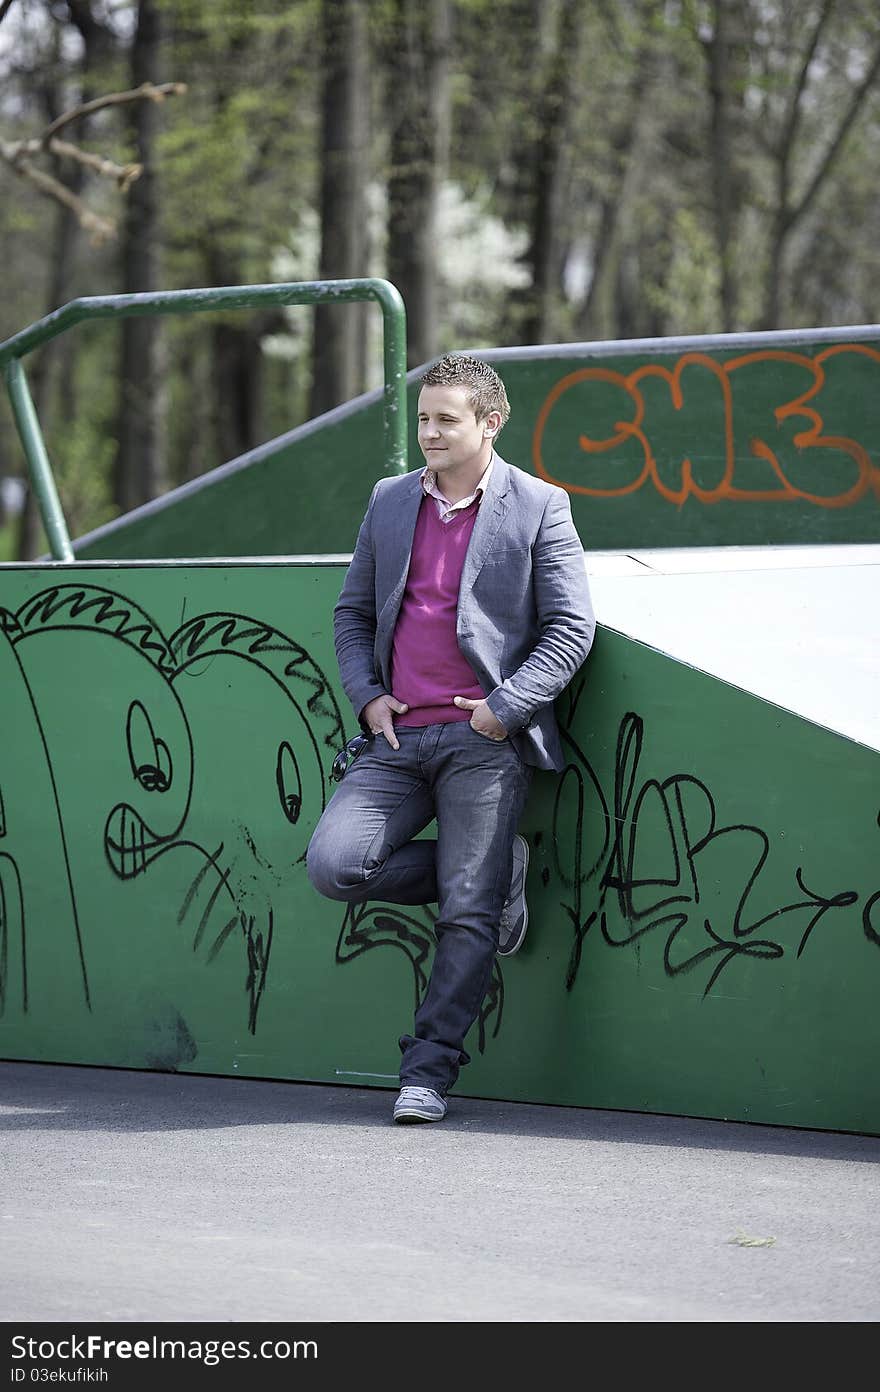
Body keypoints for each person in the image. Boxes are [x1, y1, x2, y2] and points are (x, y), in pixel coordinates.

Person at [306, 352, 595, 1124]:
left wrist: (506, 706)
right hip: (397, 741)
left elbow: (572, 627)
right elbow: (352, 613)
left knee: (465, 913)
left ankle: (426, 1073)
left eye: (446, 420)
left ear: (490, 423)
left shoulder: (540, 506)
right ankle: (498, 874)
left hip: (483, 742)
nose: (429, 432)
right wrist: (368, 697)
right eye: (423, 418)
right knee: (335, 865)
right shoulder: (389, 501)